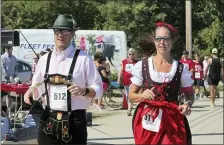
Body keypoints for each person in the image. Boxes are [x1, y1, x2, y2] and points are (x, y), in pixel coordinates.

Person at [23, 14, 103, 145]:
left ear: (72, 33)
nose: (60, 35)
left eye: (65, 31)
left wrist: (84, 90)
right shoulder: (44, 59)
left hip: (75, 120)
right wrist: (31, 90)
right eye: (57, 31)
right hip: (48, 118)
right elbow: (37, 84)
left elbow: (98, 88)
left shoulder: (84, 59)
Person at [129, 22, 194, 144]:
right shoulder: (142, 66)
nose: (162, 43)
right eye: (158, 39)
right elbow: (132, 95)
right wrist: (142, 95)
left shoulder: (181, 68)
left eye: (166, 39)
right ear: (154, 40)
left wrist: (187, 104)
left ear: (172, 41)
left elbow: (190, 94)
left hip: (172, 119)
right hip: (148, 119)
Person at [117, 48, 138, 116]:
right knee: (127, 95)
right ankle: (130, 107)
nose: (131, 56)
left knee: (130, 95)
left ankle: (129, 110)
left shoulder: (137, 62)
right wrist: (119, 79)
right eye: (130, 54)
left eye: (132, 54)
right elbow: (121, 70)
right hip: (125, 81)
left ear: (134, 55)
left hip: (133, 81)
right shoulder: (124, 62)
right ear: (128, 54)